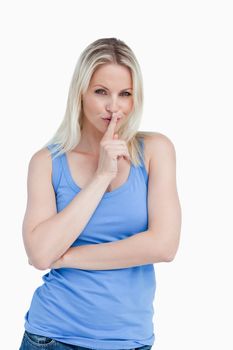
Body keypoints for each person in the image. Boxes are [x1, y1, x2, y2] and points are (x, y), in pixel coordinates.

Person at [19, 37, 182, 350]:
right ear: (80, 93)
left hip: (129, 341)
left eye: (125, 94)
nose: (114, 106)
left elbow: (164, 246)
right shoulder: (47, 162)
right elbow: (40, 254)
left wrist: (65, 257)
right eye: (101, 92)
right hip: (52, 337)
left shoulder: (155, 151)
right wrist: (102, 175)